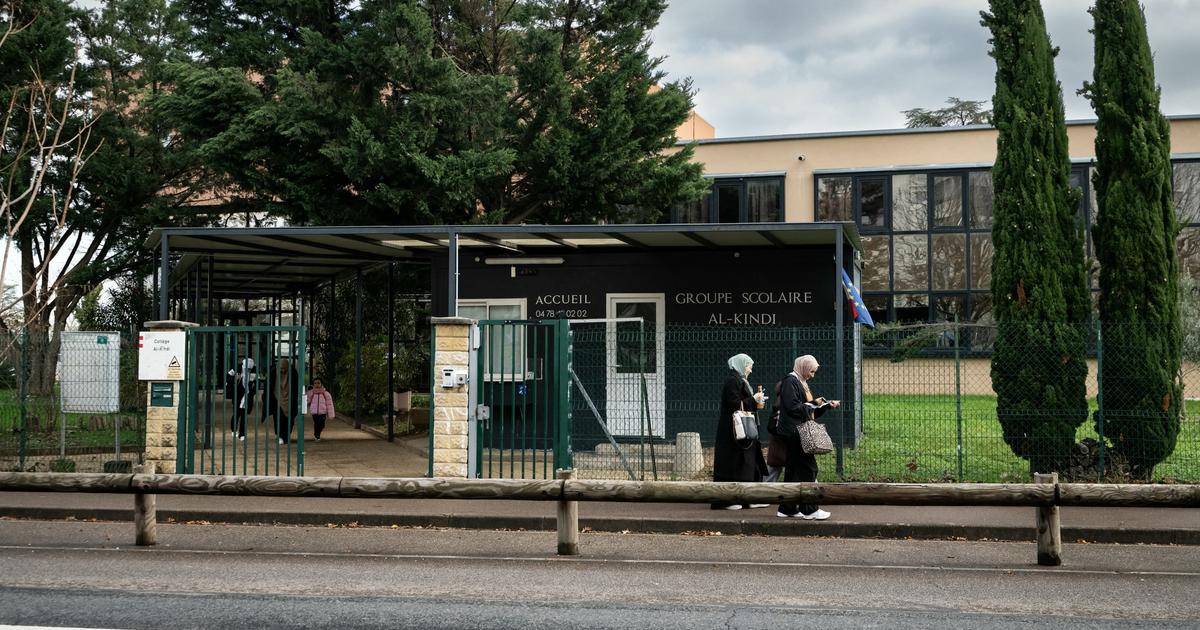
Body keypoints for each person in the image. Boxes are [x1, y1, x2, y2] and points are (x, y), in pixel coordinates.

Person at [777, 354, 840, 520]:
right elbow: (794, 408)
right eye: (811, 371)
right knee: (809, 469)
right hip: (795, 432)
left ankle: (787, 508)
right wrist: (814, 404)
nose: (812, 375)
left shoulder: (800, 382)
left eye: (814, 372)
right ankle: (810, 509)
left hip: (795, 431)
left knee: (793, 471)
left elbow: (807, 411)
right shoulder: (791, 382)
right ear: (803, 367)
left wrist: (825, 406)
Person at [711, 353, 770, 510]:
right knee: (734, 463)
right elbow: (733, 403)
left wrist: (756, 400)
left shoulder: (740, 380)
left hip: (742, 430)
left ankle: (747, 498)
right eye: (749, 365)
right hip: (733, 431)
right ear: (741, 364)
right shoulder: (733, 380)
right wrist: (754, 399)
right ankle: (729, 500)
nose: (751, 369)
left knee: (747, 463)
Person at [263, 357, 300, 445]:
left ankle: (286, 435)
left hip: (290, 400)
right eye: (281, 369)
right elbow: (268, 386)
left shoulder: (293, 373)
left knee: (289, 420)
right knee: (278, 419)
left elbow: (296, 387)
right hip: (277, 400)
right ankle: (279, 436)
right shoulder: (273, 373)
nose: (283, 371)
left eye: (284, 369)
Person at [226, 358, 256, 441]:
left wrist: (253, 391)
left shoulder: (254, 370)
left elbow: (257, 381)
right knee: (236, 413)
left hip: (247, 395)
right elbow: (228, 377)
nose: (248, 370)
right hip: (238, 393)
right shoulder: (237, 368)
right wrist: (235, 379)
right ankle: (234, 429)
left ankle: (242, 434)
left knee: (244, 415)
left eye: (250, 369)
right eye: (247, 369)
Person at [306, 377, 336, 442]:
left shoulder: (326, 393)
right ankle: (317, 435)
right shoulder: (311, 393)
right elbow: (307, 400)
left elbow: (329, 404)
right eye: (315, 383)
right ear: (313, 384)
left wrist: (331, 414)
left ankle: (317, 433)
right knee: (317, 423)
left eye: (318, 383)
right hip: (314, 412)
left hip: (323, 412)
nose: (317, 385)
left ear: (321, 384)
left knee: (322, 424)